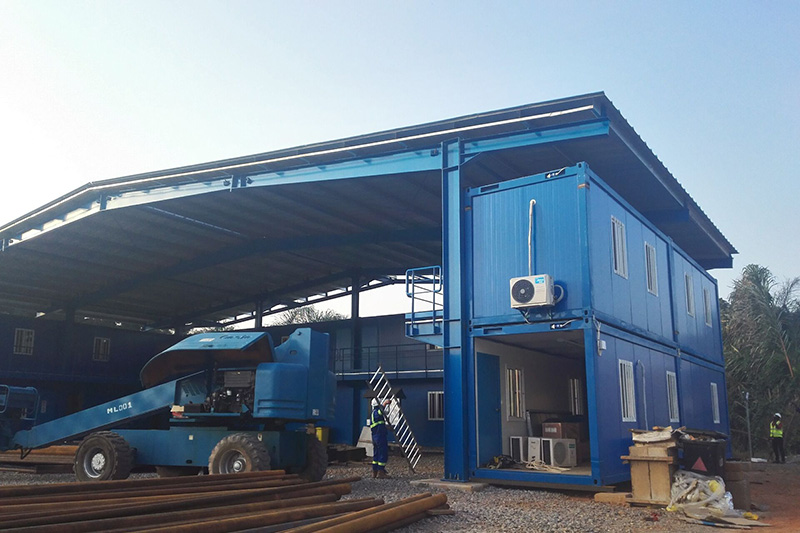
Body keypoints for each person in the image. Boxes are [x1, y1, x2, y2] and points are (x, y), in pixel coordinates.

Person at [370, 398, 391, 478]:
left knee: (376, 454)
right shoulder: (376, 412)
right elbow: (381, 412)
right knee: (383, 453)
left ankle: (375, 472)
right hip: (380, 436)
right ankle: (381, 472)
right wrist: (385, 403)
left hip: (375, 436)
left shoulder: (373, 413)